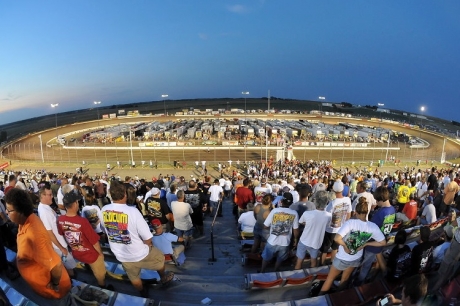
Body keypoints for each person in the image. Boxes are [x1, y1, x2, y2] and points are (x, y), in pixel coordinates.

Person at [101, 180, 173, 297]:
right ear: (125, 194)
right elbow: (148, 237)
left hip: (122, 255)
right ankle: (163, 277)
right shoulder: (133, 211)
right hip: (140, 252)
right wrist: (148, 245)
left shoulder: (104, 210)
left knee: (133, 277)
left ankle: (142, 292)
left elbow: (104, 229)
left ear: (110, 194)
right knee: (160, 259)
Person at [4, 188, 74, 303]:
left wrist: (55, 284)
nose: (6, 212)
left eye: (9, 210)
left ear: (20, 211)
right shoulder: (25, 221)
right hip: (41, 286)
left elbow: (56, 265)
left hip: (54, 293)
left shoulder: (34, 235)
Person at [318, 197, 386, 295]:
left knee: (330, 279)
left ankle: (320, 298)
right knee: (344, 279)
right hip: (356, 258)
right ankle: (337, 297)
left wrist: (346, 246)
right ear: (367, 213)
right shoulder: (373, 226)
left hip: (342, 257)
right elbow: (383, 242)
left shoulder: (350, 223)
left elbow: (337, 238)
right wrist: (366, 243)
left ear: (356, 213)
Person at [57, 191, 112, 290]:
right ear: (74, 204)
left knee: (88, 264)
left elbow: (62, 233)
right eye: (77, 202)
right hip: (91, 255)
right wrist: (100, 254)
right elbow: (94, 241)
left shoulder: (60, 219)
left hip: (77, 252)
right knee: (100, 274)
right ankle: (103, 287)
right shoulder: (82, 221)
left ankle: (89, 270)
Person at [358, 186, 395, 284]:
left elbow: (370, 229)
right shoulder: (392, 209)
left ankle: (359, 282)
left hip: (372, 244)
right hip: (383, 239)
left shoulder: (381, 213)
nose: (376, 203)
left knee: (364, 265)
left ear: (381, 200)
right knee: (377, 258)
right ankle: (383, 274)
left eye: (377, 201)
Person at [37, 187, 77, 277]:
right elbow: (49, 232)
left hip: (60, 242)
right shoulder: (44, 212)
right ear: (42, 196)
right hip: (59, 245)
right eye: (50, 195)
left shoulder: (45, 207)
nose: (52, 197)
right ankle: (72, 279)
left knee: (67, 263)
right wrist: (61, 248)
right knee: (69, 265)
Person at [260, 193, 299, 273]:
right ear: (291, 203)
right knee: (280, 259)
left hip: (272, 241)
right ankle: (275, 270)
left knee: (266, 257)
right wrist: (295, 240)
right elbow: (296, 231)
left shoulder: (274, 211)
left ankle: (262, 271)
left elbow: (265, 226)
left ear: (281, 201)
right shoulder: (294, 213)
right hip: (285, 242)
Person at [294, 190, 331, 269]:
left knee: (299, 261)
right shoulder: (329, 216)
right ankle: (312, 277)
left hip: (304, 240)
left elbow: (301, 222)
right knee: (313, 261)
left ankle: (297, 275)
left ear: (316, 200)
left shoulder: (307, 214)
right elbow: (327, 225)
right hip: (316, 242)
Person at [320, 181, 352, 265]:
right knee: (335, 248)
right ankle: (332, 262)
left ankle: (321, 264)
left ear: (333, 190)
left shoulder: (332, 203)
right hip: (341, 229)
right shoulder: (347, 200)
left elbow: (326, 217)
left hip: (330, 230)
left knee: (325, 249)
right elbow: (349, 214)